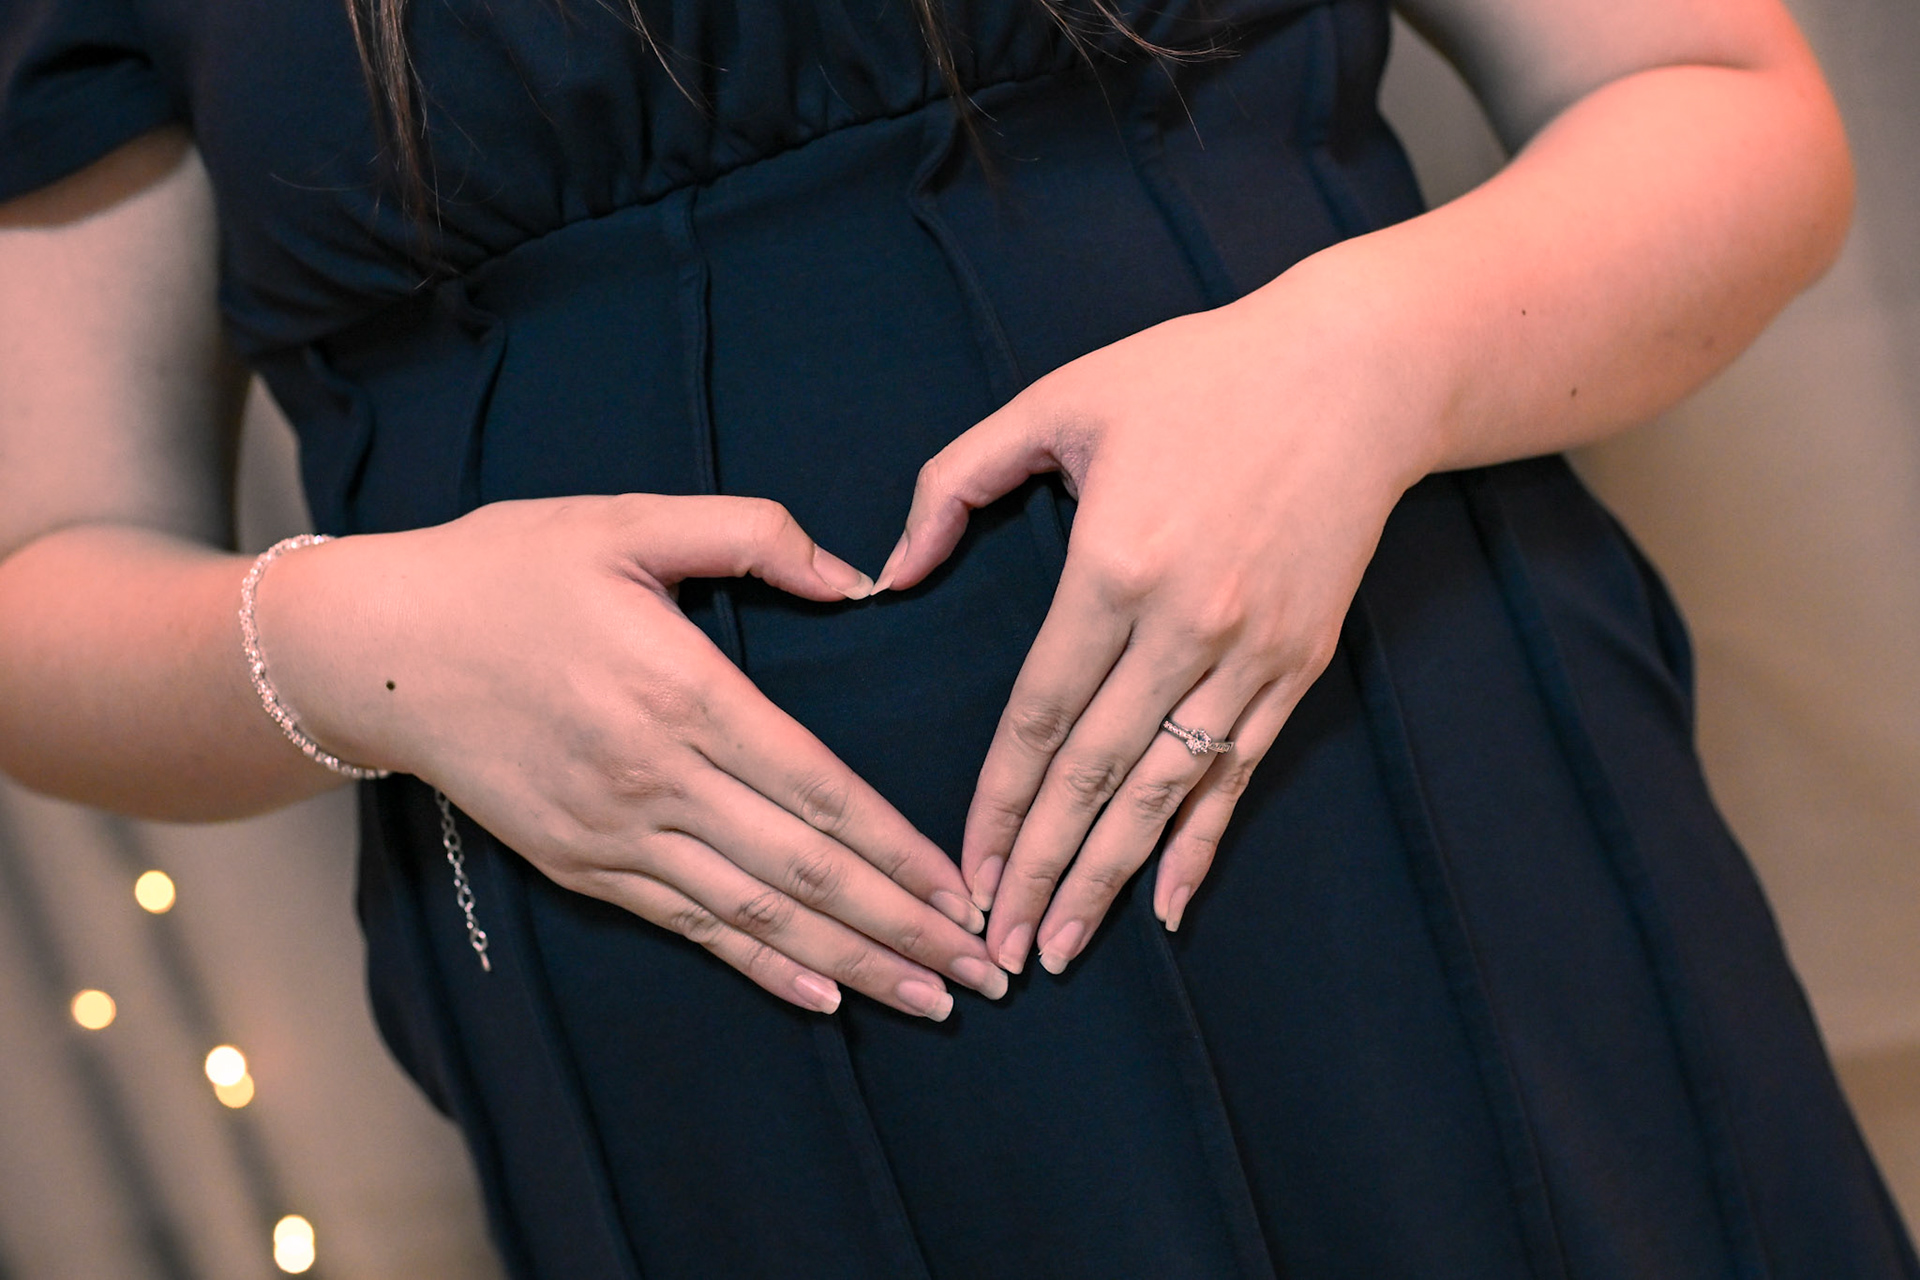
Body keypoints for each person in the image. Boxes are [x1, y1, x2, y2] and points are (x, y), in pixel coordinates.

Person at [0, 0, 1911, 1274]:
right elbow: (42, 577)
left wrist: (1366, 362)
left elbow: (1721, 104)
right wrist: (352, 642)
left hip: (1405, 820)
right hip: (687, 1023)